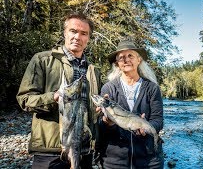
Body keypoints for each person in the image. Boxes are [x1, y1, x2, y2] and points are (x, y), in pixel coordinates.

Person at [16, 12, 102, 169]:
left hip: (84, 151)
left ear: (88, 38)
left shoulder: (93, 71)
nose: (77, 37)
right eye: (73, 31)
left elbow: (93, 113)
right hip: (51, 151)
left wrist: (101, 110)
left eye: (84, 33)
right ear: (64, 33)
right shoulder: (43, 60)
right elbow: (25, 99)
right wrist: (53, 97)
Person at [96, 39, 164, 169]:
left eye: (130, 56)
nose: (126, 60)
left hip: (149, 161)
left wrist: (146, 128)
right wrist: (107, 123)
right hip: (115, 161)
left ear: (139, 60)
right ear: (117, 64)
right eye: (121, 57)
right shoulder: (108, 89)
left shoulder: (152, 88)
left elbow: (158, 120)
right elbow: (100, 126)